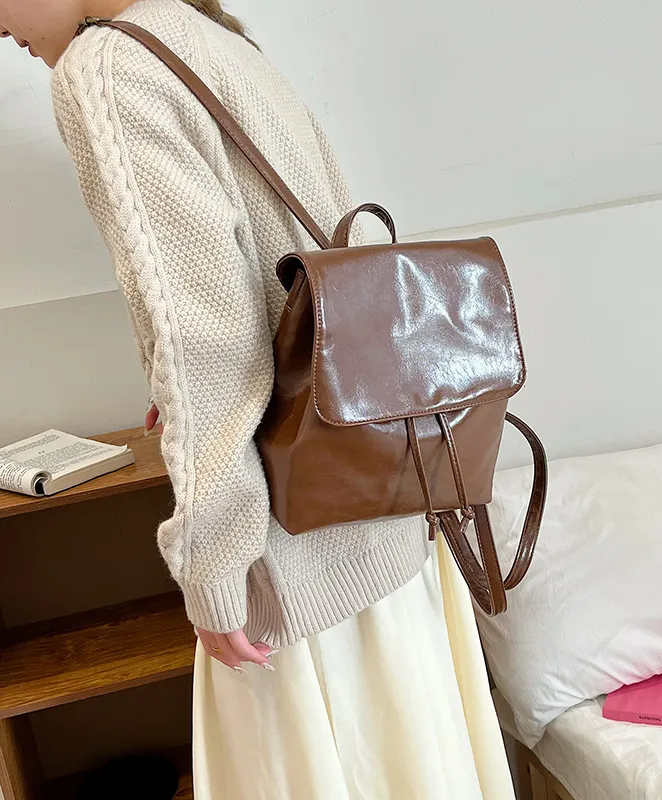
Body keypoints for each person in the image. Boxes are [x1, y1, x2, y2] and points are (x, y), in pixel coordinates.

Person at [1, 1, 516, 796]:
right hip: (382, 519)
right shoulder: (216, 36)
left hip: (294, 558)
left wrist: (214, 566)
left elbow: (205, 340)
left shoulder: (108, 66)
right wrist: (180, 393)